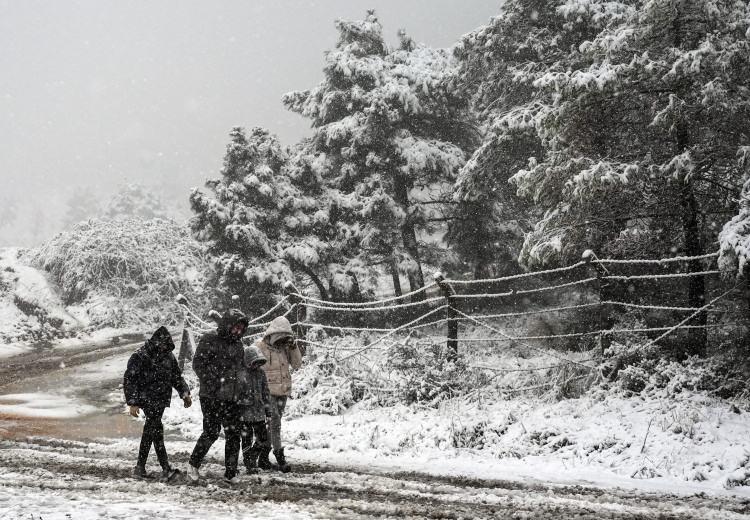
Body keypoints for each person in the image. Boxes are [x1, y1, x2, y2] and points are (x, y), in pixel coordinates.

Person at [187, 308, 248, 483]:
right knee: (211, 432)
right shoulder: (209, 340)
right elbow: (198, 364)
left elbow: (240, 369)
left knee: (234, 433)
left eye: (241, 329)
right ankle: (193, 464)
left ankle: (231, 473)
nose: (238, 332)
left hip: (232, 396)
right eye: (235, 328)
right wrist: (215, 383)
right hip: (211, 396)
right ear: (228, 325)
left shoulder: (238, 345)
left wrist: (241, 388)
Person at [123, 326, 192, 481]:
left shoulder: (169, 357)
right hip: (146, 399)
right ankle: (165, 467)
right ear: (155, 342)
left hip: (160, 400)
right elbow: (130, 380)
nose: (163, 348)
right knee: (155, 429)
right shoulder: (141, 356)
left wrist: (184, 392)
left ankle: (140, 467)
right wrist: (133, 402)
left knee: (152, 430)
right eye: (161, 345)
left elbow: (176, 377)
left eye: (166, 346)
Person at [256, 316, 302, 473]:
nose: (282, 341)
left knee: (272, 426)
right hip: (266, 393)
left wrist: (294, 347)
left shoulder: (286, 349)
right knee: (274, 424)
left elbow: (297, 364)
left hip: (282, 393)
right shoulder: (259, 346)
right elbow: (250, 364)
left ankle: (262, 457)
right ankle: (279, 457)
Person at [238, 345, 271, 473]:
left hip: (258, 412)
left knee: (263, 437)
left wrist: (268, 410)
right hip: (244, 413)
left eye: (258, 363)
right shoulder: (241, 374)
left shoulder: (261, 373)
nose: (256, 366)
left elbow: (266, 392)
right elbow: (237, 393)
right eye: (253, 363)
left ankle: (252, 455)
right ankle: (249, 464)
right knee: (247, 438)